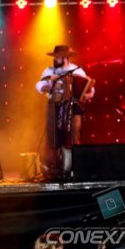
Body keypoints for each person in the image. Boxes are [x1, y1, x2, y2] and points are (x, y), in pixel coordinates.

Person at [35, 45, 94, 175]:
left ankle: (77, 165)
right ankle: (54, 167)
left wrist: (89, 94)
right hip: (55, 106)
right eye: (54, 57)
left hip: (74, 106)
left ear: (65, 57)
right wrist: (44, 87)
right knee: (54, 137)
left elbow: (89, 87)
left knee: (75, 134)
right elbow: (39, 83)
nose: (55, 59)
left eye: (58, 57)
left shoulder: (76, 70)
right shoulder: (49, 70)